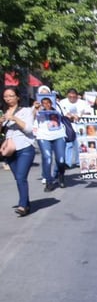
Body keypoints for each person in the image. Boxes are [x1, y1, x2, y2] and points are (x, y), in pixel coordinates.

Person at [3, 87, 36, 216]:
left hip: (25, 148)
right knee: (18, 178)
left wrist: (14, 118)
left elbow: (28, 129)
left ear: (17, 97)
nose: (8, 98)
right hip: (10, 150)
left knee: (21, 177)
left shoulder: (26, 111)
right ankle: (26, 204)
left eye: (11, 95)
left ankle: (22, 205)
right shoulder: (3, 112)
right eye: (6, 96)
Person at [33, 96, 68, 190]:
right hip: (43, 136)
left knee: (61, 160)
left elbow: (67, 114)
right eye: (43, 103)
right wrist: (35, 109)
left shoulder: (58, 108)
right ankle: (48, 182)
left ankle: (61, 176)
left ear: (52, 102)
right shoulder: (37, 109)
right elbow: (32, 117)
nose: (46, 105)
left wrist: (73, 115)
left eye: (48, 102)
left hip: (58, 135)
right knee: (47, 158)